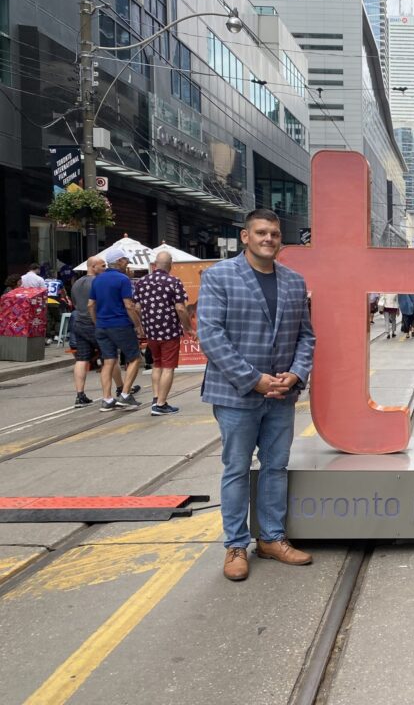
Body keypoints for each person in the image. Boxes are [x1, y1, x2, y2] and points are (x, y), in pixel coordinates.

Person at [198, 208, 316, 582]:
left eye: (275, 234)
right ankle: (236, 545)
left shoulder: (294, 281)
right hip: (236, 394)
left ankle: (271, 538)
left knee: (276, 467)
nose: (269, 239)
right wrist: (254, 380)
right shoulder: (219, 276)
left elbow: (306, 336)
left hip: (282, 394)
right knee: (236, 468)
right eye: (262, 233)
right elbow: (211, 335)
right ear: (245, 236)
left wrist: (295, 373)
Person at [69, 256, 136, 407]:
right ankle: (121, 388)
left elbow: (75, 302)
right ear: (93, 267)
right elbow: (94, 304)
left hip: (79, 323)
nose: (105, 269)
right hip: (97, 323)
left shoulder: (76, 283)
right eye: (102, 266)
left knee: (81, 358)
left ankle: (80, 395)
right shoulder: (98, 282)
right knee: (110, 358)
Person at [134, 251, 192, 416]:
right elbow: (180, 308)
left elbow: (137, 307)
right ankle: (161, 404)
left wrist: (143, 323)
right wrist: (188, 328)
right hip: (169, 330)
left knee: (157, 364)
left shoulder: (142, 282)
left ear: (154, 264)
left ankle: (155, 397)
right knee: (168, 367)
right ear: (170, 264)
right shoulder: (173, 282)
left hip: (151, 331)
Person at [88, 248, 145, 411]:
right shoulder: (123, 279)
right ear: (119, 261)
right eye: (126, 260)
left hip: (102, 326)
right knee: (135, 358)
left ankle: (107, 399)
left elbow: (90, 304)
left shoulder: (97, 280)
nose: (127, 262)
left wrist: (97, 322)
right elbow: (128, 305)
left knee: (108, 361)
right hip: (120, 324)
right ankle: (125, 394)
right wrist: (138, 325)